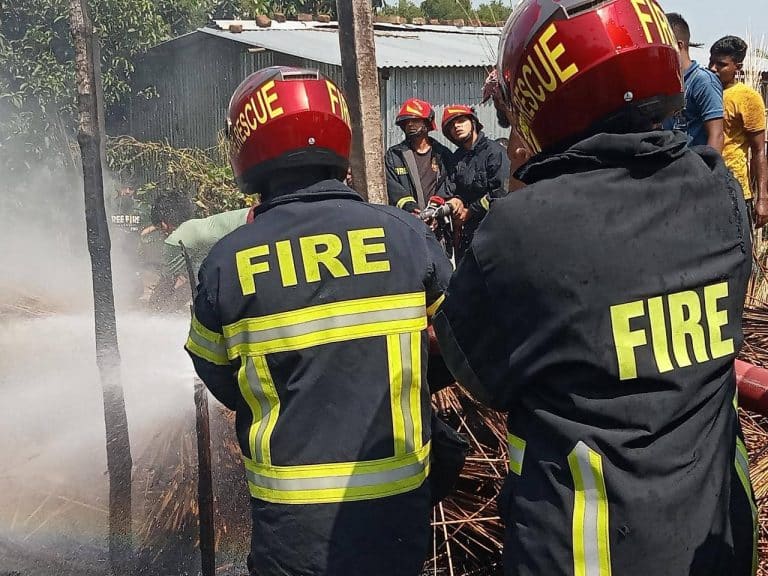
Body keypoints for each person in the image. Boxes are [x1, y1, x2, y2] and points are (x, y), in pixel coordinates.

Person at [434, 1, 757, 575]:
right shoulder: (719, 191)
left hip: (584, 553)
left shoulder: (518, 228)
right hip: (717, 540)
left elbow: (479, 378)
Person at [185, 66, 453, 576]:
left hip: (292, 528)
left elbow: (216, 371)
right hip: (397, 516)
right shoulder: (405, 236)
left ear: (248, 149)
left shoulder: (227, 261)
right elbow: (461, 347)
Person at [710, 35, 768, 228]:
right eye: (711, 61)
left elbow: (759, 151)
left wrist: (762, 199)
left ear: (738, 67)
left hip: (735, 188)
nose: (713, 68)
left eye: (721, 64)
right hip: (705, 185)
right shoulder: (704, 90)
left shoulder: (747, 98)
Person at [441, 104, 510, 260]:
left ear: (473, 123)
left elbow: (501, 193)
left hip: (494, 230)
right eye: (451, 125)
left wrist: (470, 211)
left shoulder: (494, 152)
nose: (456, 126)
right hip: (466, 235)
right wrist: (454, 201)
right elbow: (449, 188)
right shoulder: (456, 158)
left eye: (460, 121)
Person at [664, 13, 724, 151]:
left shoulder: (703, 81)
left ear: (679, 46)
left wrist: (709, 170)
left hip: (696, 167)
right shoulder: (667, 82)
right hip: (672, 166)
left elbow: (717, 135)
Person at [385, 98, 455, 214]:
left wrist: (435, 209)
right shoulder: (394, 155)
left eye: (415, 120)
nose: (410, 124)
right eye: (406, 122)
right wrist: (410, 207)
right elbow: (391, 186)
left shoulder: (443, 154)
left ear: (427, 123)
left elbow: (450, 184)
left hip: (438, 222)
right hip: (407, 221)